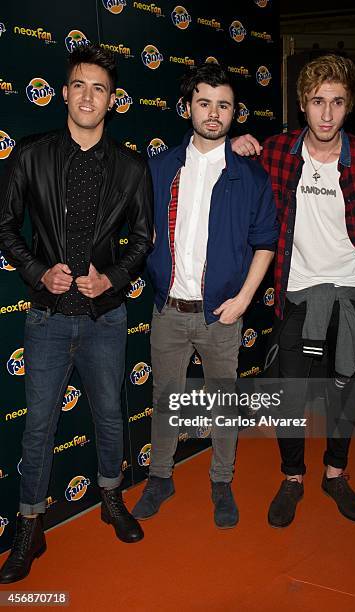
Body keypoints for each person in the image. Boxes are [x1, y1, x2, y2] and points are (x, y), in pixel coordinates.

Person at [0, 44, 153, 583]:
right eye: (80, 85)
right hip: (46, 316)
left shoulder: (132, 167)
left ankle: (111, 497)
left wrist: (111, 278)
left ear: (112, 100)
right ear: (65, 93)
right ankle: (29, 526)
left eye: (100, 88)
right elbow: (4, 226)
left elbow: (142, 240)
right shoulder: (31, 153)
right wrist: (38, 270)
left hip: (105, 318)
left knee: (110, 415)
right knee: (38, 427)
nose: (89, 96)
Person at [232, 54, 355, 527]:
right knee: (289, 394)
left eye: (338, 102)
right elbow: (240, 178)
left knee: (341, 391)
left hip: (350, 294)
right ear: (303, 105)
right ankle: (292, 477)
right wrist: (240, 143)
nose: (327, 114)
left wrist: (353, 261)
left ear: (348, 107)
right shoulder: (277, 153)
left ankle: (335, 473)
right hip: (297, 293)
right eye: (318, 101)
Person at [131, 63, 278, 528]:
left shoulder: (250, 177)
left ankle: (221, 481)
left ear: (235, 113)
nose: (213, 113)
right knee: (166, 395)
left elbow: (266, 242)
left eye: (224, 105)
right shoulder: (159, 168)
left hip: (221, 315)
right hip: (169, 309)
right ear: (187, 107)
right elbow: (139, 229)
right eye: (204, 102)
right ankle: (160, 477)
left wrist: (242, 300)